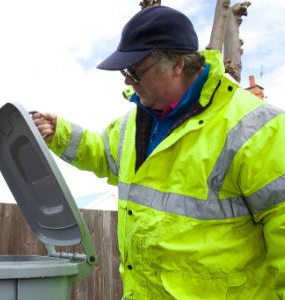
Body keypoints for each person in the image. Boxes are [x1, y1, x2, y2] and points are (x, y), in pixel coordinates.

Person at [31, 5, 285, 299]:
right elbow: (102, 153)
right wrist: (59, 132)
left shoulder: (257, 130)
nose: (127, 81)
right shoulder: (133, 124)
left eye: (135, 71)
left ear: (177, 64)